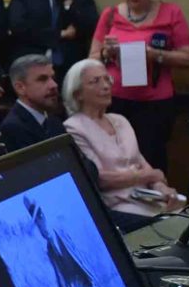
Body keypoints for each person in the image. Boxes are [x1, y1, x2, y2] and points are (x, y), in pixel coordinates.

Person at [88, 0, 189, 170]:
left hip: (155, 104)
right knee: (115, 162)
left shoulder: (171, 13)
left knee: (151, 160)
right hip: (115, 101)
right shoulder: (110, 15)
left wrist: (156, 55)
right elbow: (92, 59)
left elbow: (187, 58)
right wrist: (107, 53)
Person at [63, 58, 180, 230]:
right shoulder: (74, 128)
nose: (105, 86)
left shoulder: (120, 120)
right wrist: (151, 176)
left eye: (107, 79)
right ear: (77, 93)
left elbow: (142, 163)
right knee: (167, 227)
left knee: (184, 215)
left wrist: (161, 187)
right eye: (96, 81)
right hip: (118, 205)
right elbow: (100, 178)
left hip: (148, 196)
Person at [0, 54, 68, 151]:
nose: (54, 85)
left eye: (53, 78)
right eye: (42, 79)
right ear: (20, 88)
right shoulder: (13, 128)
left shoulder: (54, 121)